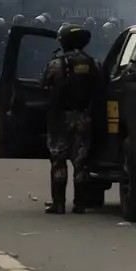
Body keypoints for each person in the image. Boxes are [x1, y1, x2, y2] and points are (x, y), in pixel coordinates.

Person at [40, 23, 100, 215]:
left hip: (60, 118)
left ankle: (58, 203)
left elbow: (43, 83)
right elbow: (101, 87)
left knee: (58, 160)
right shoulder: (93, 63)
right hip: (83, 117)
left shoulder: (57, 64)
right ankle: (80, 204)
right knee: (81, 162)